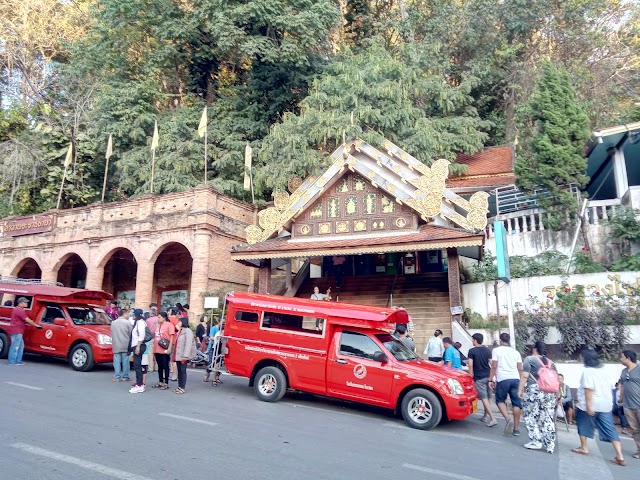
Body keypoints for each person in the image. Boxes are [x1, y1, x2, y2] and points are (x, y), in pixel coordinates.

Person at [571, 349, 625, 466]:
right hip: (606, 404)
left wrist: (589, 406)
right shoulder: (604, 370)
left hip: (590, 405)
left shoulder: (588, 372)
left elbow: (588, 390)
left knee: (582, 423)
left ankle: (584, 448)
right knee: (610, 429)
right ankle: (619, 455)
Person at [518, 341, 557, 453]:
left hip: (535, 390)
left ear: (535, 349)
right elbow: (556, 379)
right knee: (547, 417)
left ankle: (536, 441)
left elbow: (525, 376)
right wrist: (557, 395)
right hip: (550, 392)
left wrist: (520, 390)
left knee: (530, 415)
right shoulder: (551, 362)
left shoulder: (529, 359)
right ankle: (550, 445)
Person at [489, 332, 523, 437]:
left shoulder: (496, 350)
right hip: (515, 379)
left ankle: (508, 419)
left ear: (500, 340)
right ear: (509, 341)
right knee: (516, 403)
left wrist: (490, 379)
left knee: (499, 400)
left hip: (503, 379)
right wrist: (522, 383)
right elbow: (520, 368)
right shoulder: (516, 352)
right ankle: (516, 429)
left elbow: (494, 366)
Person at [467, 333, 497, 427]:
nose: (472, 341)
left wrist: (471, 376)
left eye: (472, 340)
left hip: (479, 377)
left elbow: (470, 365)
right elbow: (492, 364)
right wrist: (493, 377)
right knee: (487, 398)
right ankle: (485, 416)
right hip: (488, 376)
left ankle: (493, 418)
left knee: (484, 398)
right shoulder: (487, 350)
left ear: (475, 340)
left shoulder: (472, 351)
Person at [7, 297, 42, 365]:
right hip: (17, 331)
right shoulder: (19, 310)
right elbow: (27, 319)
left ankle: (17, 361)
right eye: (25, 302)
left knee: (20, 346)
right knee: (15, 346)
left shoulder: (18, 309)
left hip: (18, 331)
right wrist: (36, 325)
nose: (26, 303)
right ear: (21, 303)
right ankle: (12, 362)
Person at [619, 349, 640, 459]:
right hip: (628, 405)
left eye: (622, 357)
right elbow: (621, 386)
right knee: (635, 430)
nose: (620, 359)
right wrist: (620, 399)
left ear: (628, 358)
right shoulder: (623, 371)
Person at [151, 312, 175, 390]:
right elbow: (152, 333)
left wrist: (169, 348)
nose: (158, 319)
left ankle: (166, 383)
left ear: (164, 318)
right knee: (160, 366)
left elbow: (171, 337)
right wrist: (155, 325)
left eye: (160, 317)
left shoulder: (169, 325)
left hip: (164, 349)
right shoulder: (158, 325)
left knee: (165, 366)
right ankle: (160, 382)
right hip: (157, 348)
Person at [174, 317, 196, 394]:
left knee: (183, 371)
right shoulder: (180, 331)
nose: (178, 323)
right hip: (178, 354)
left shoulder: (188, 331)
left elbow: (188, 344)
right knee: (179, 370)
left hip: (183, 355)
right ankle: (179, 386)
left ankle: (182, 387)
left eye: (179, 322)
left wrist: (186, 355)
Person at [110, 308, 132, 382]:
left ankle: (117, 377)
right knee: (125, 361)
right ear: (124, 314)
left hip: (116, 344)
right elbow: (130, 334)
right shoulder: (127, 323)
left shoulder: (113, 322)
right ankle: (125, 377)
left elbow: (112, 333)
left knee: (116, 361)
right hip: (125, 344)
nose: (129, 315)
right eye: (128, 314)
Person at [129, 309, 147, 394]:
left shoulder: (140, 323)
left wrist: (138, 347)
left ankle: (140, 385)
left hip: (138, 345)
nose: (133, 316)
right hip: (136, 345)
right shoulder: (137, 322)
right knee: (137, 365)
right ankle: (139, 383)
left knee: (137, 365)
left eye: (134, 314)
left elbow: (142, 335)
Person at [145, 309, 159, 373]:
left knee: (150, 353)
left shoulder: (147, 320)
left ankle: (150, 367)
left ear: (150, 314)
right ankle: (156, 367)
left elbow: (146, 329)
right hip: (159, 337)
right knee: (157, 352)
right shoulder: (158, 319)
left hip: (151, 337)